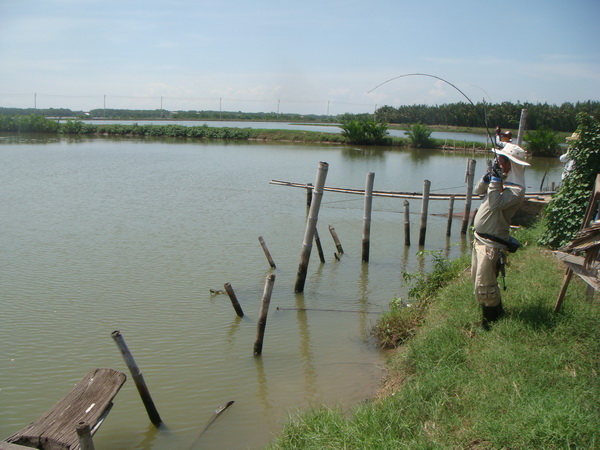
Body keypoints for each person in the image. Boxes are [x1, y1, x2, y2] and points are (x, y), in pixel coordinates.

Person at [471, 143, 530, 329]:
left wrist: (496, 181)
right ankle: (498, 313)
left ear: (512, 165)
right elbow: (477, 191)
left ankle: (489, 323)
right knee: (479, 281)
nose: (498, 163)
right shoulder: (500, 182)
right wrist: (487, 178)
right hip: (479, 239)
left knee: (485, 285)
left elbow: (495, 204)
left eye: (502, 161)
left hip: (491, 244)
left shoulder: (517, 190)